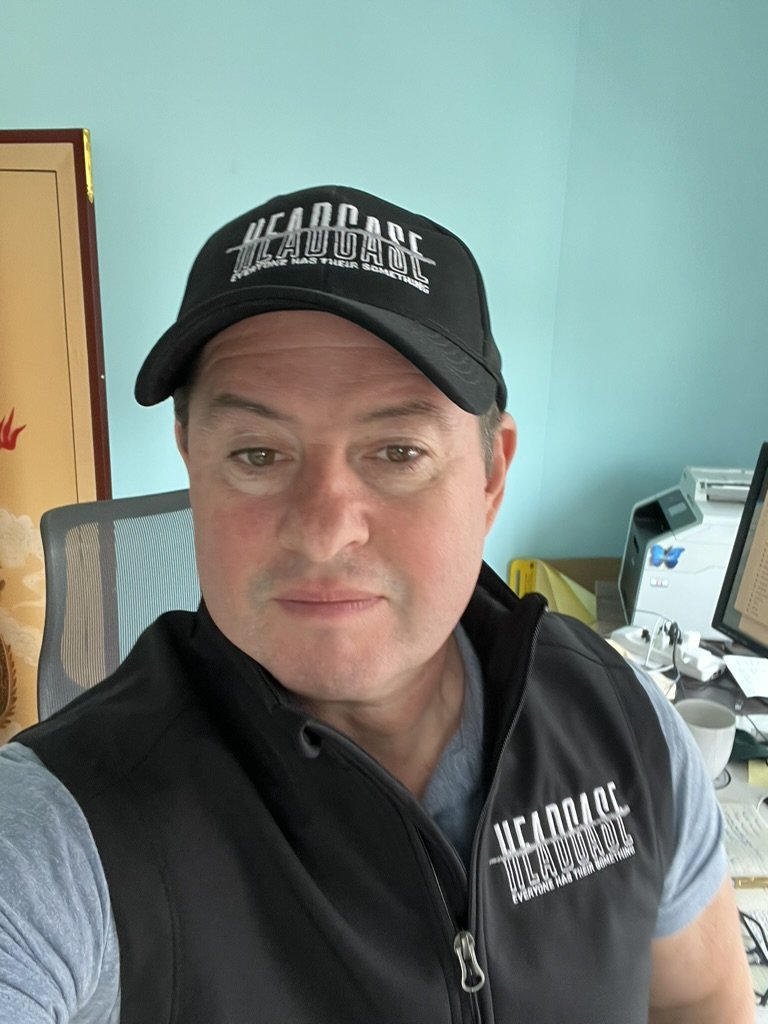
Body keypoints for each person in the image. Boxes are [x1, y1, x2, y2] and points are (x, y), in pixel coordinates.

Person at [0, 185, 753, 1023]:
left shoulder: (619, 718)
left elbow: (699, 1000)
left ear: (490, 473)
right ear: (192, 461)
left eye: (397, 451)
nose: (324, 531)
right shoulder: (63, 833)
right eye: (257, 453)